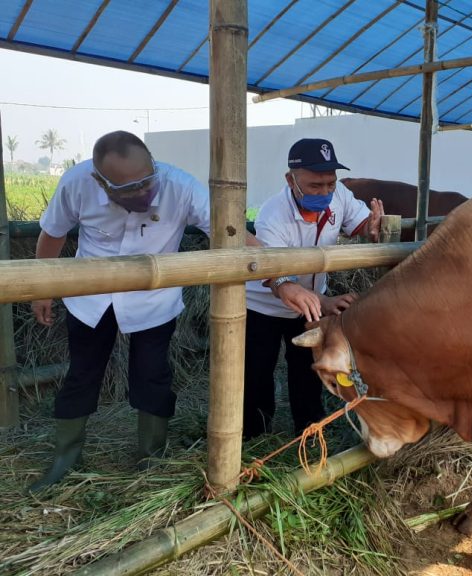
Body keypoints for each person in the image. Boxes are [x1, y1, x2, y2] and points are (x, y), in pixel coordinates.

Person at [28, 130, 258, 492]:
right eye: (126, 189)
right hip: (91, 298)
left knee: (153, 374)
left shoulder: (180, 186)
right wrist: (42, 289)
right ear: (99, 181)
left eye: (146, 182)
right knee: (81, 374)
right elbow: (53, 232)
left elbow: (227, 232)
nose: (141, 193)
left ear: (153, 164)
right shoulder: (76, 182)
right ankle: (66, 458)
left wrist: (279, 268)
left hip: (154, 300)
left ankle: (152, 459)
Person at [243, 138, 383, 439]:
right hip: (263, 305)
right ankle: (253, 436)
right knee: (257, 372)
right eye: (314, 186)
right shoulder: (272, 215)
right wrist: (325, 301)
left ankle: (308, 433)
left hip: (312, 300)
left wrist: (373, 228)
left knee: (307, 369)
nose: (325, 192)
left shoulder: (339, 194)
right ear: (290, 179)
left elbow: (356, 224)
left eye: (329, 184)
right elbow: (277, 278)